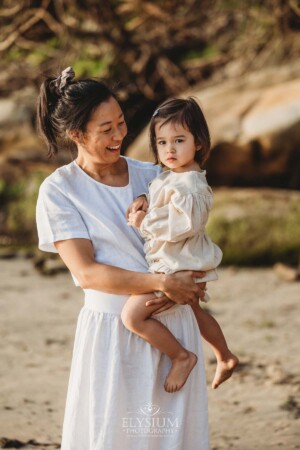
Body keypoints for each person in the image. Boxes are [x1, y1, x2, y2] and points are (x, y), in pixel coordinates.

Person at [36, 67, 211, 450]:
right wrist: (163, 283)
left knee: (171, 438)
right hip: (110, 331)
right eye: (106, 129)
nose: (120, 135)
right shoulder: (59, 191)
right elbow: (87, 273)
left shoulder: (154, 175)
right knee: (110, 436)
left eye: (121, 123)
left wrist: (188, 282)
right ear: (76, 135)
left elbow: (193, 232)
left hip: (171, 323)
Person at [123, 98, 239, 393]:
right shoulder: (173, 176)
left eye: (178, 140)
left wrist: (143, 222)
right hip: (177, 260)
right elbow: (163, 196)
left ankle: (181, 356)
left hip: (179, 264)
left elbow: (183, 225)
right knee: (196, 312)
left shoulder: (192, 186)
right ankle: (224, 356)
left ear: (198, 142)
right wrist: (146, 199)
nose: (169, 150)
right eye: (161, 142)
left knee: (133, 316)